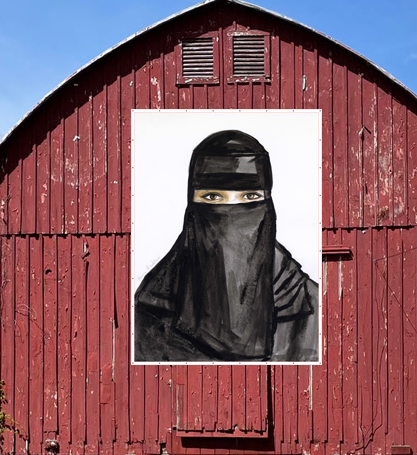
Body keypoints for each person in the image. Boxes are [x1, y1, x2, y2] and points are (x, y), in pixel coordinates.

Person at [134, 129, 319, 362]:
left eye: (250, 197)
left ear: (268, 204)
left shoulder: (306, 302)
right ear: (191, 205)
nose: (231, 213)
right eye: (213, 197)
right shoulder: (154, 304)